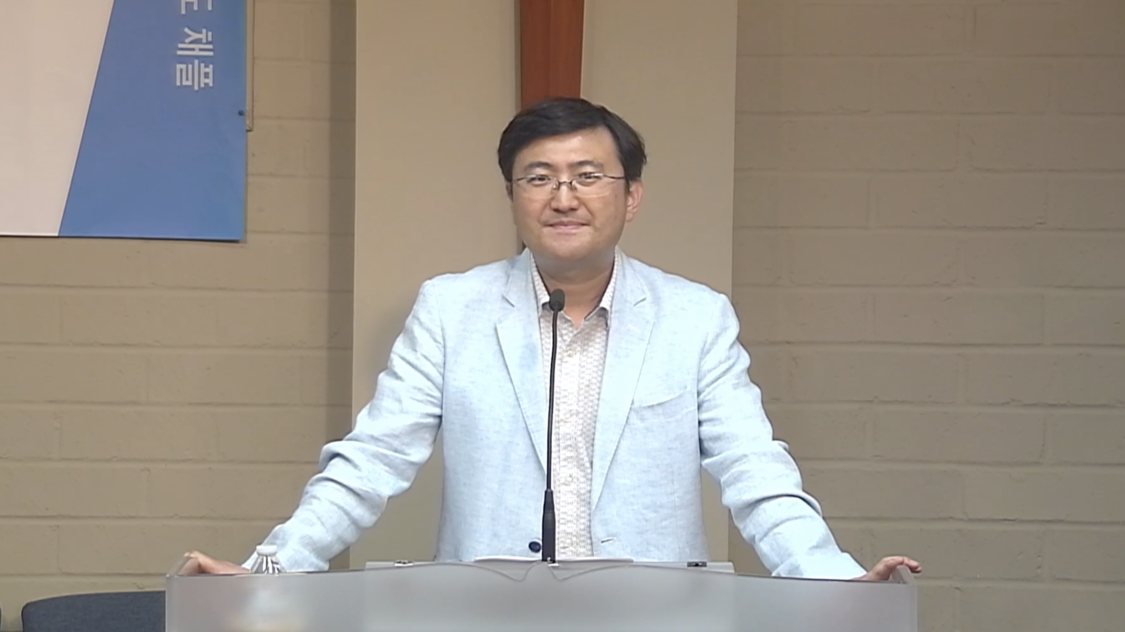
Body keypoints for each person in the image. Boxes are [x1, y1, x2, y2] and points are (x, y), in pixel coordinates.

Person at [191, 97, 919, 581]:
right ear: (512, 197)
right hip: (490, 618)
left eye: (587, 176)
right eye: (537, 178)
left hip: (651, 619)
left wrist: (836, 582)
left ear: (630, 196)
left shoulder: (696, 317)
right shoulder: (451, 309)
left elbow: (754, 471)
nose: (563, 197)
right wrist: (267, 570)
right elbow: (371, 461)